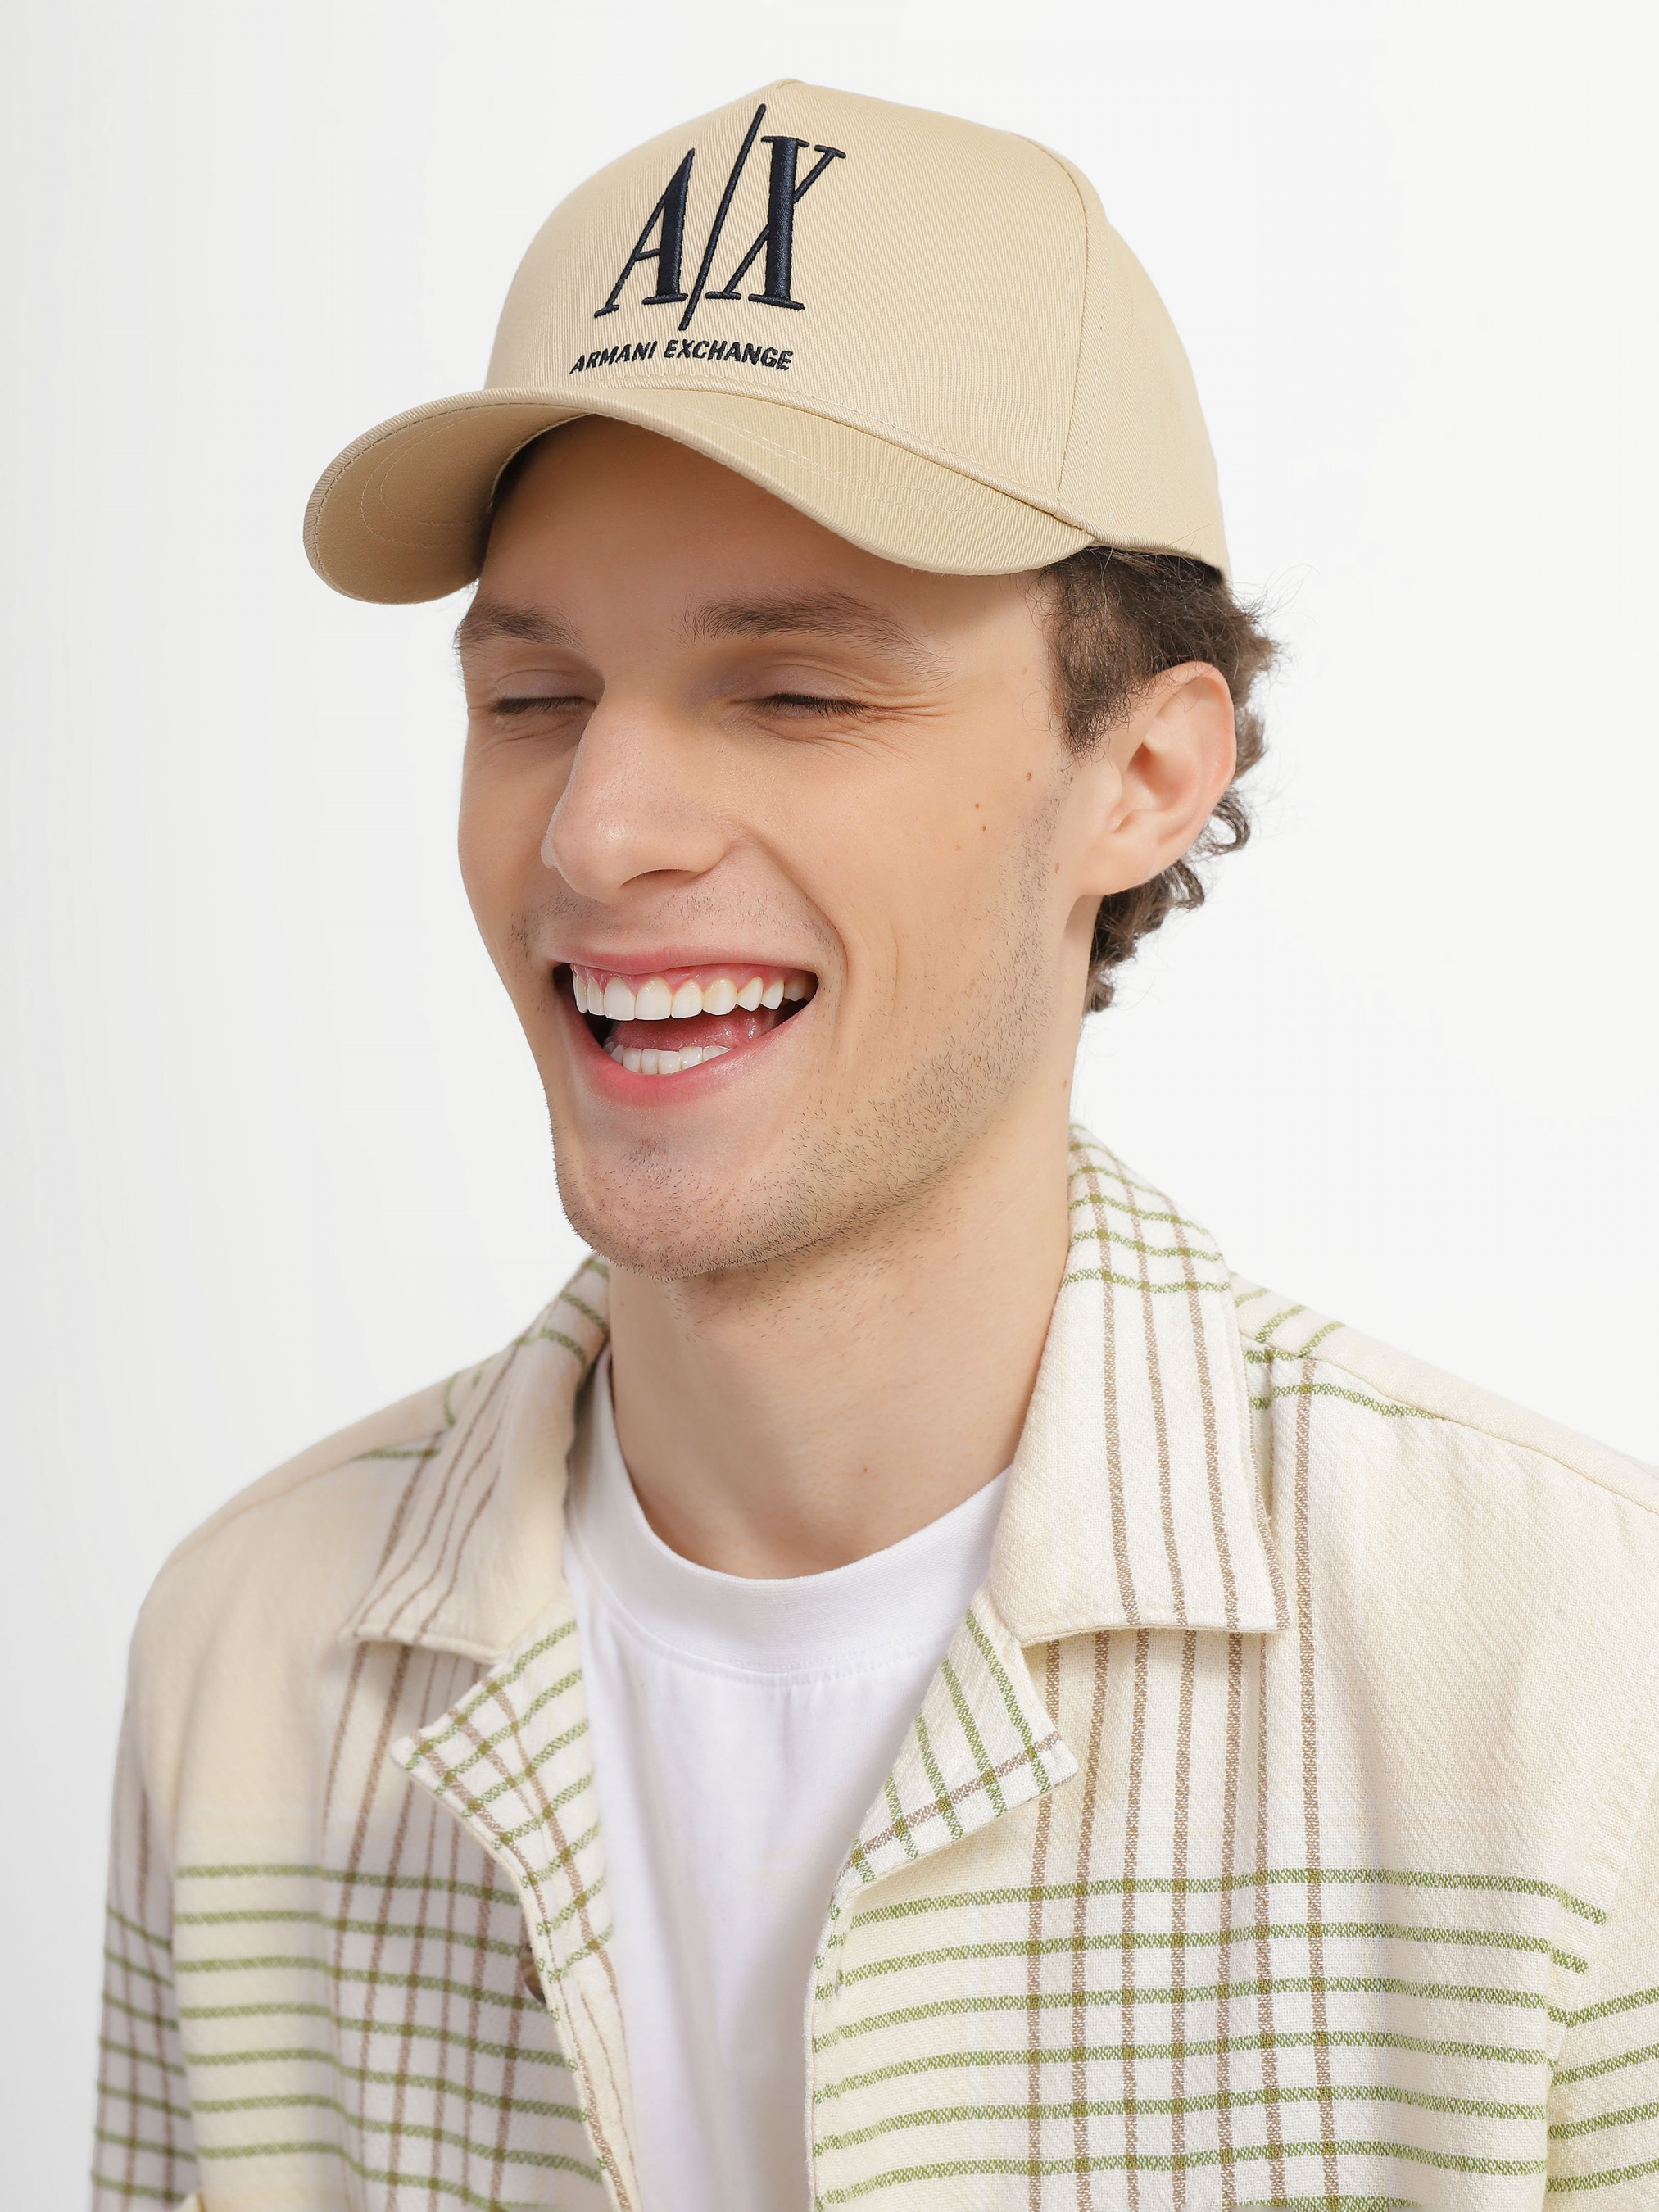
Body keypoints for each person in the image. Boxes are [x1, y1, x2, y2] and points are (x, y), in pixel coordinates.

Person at [93, 81, 1659, 2212]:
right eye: (533, 699)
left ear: (1142, 774)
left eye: (797, 695)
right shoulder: (241, 1665)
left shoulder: (1578, 1687)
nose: (596, 832)